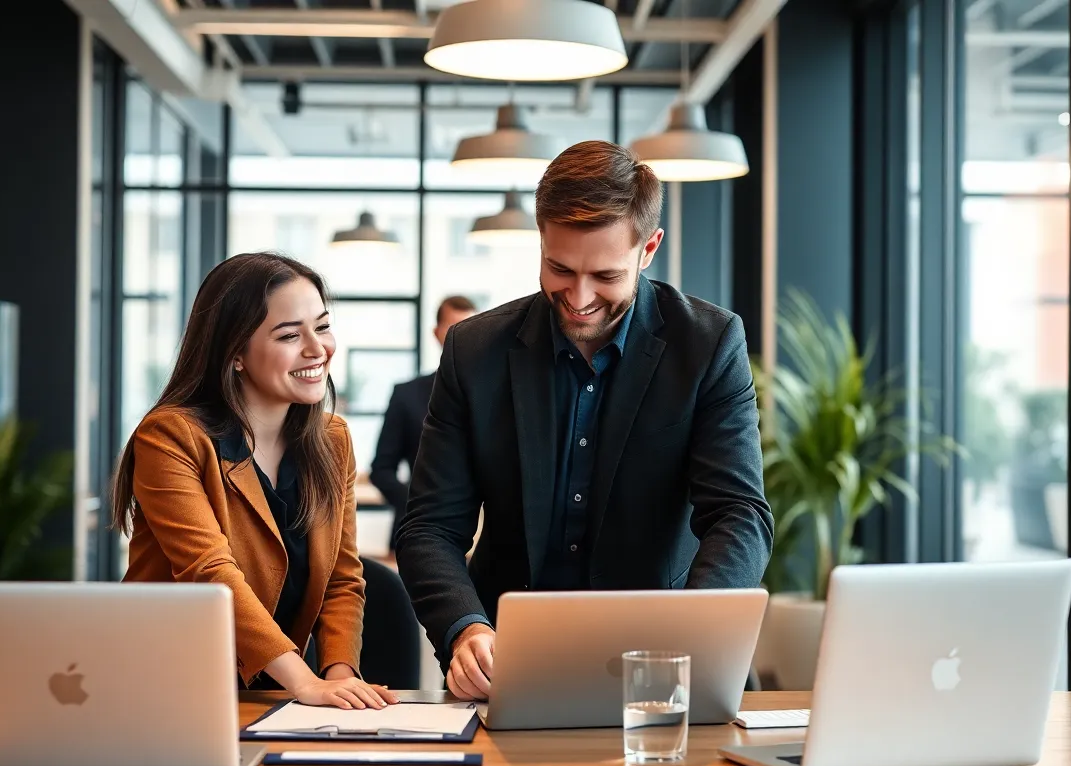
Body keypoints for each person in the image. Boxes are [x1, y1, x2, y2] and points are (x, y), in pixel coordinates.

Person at [396, 141, 774, 701]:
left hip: (667, 664)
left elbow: (739, 513)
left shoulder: (709, 343)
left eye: (605, 275)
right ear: (542, 240)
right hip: (511, 664)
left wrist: (695, 635)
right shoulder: (474, 352)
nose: (578, 298)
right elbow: (430, 527)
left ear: (648, 250)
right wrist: (465, 627)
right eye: (560, 268)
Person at [113, 252, 397, 711]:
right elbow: (210, 574)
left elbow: (343, 578)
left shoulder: (332, 439)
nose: (317, 348)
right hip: (165, 692)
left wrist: (339, 679)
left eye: (322, 327)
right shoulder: (170, 437)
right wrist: (304, 682)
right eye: (289, 335)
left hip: (273, 699)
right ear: (235, 354)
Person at [369, 296, 478, 552]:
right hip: (417, 531)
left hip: (486, 540)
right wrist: (418, 503)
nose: (463, 339)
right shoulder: (406, 394)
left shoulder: (498, 394)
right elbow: (381, 469)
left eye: (471, 330)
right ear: (436, 333)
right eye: (454, 329)